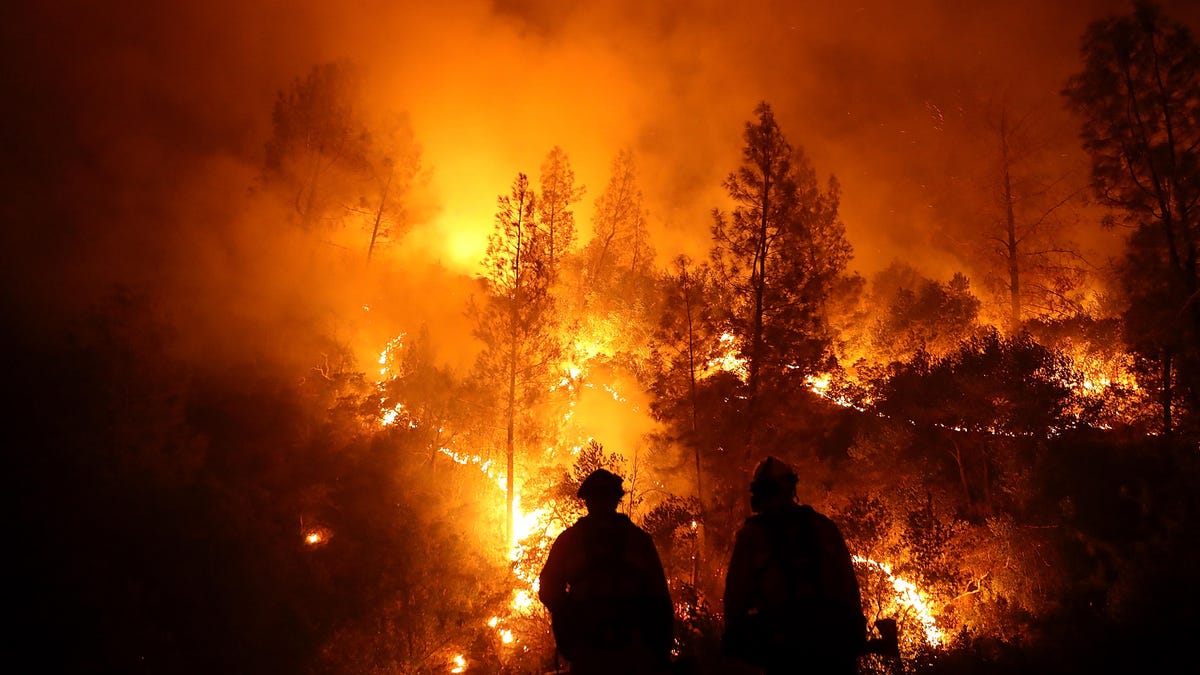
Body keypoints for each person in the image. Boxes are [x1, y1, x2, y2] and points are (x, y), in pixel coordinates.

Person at [723, 456, 866, 675]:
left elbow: (735, 603)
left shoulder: (753, 536)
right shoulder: (823, 527)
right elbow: (850, 589)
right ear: (791, 488)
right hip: (834, 647)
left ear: (760, 492)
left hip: (786, 653)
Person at [538, 468, 674, 674]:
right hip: (627, 650)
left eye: (603, 498)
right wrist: (659, 650)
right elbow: (659, 599)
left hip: (600, 649)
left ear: (586, 501)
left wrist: (569, 618)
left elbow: (549, 590)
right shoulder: (638, 541)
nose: (601, 504)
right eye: (598, 498)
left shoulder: (569, 541)